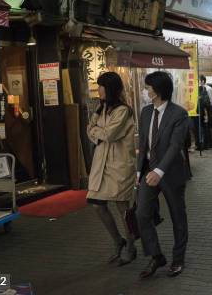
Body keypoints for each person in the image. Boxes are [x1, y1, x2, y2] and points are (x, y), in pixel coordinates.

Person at [136, 71, 190, 279]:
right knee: (142, 213)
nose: (145, 90)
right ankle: (156, 255)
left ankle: (178, 259)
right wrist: (140, 171)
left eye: (148, 87)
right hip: (148, 172)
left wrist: (160, 171)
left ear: (157, 91)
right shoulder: (146, 112)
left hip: (171, 173)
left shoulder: (179, 114)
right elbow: (143, 143)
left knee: (178, 216)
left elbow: (175, 146)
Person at [86, 72, 137, 266]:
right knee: (97, 204)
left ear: (111, 88)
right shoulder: (102, 108)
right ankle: (118, 241)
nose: (98, 89)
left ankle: (131, 246)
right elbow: (89, 129)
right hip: (101, 164)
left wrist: (96, 132)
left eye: (101, 86)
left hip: (119, 165)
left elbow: (109, 134)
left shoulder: (123, 110)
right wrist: (97, 131)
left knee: (123, 208)